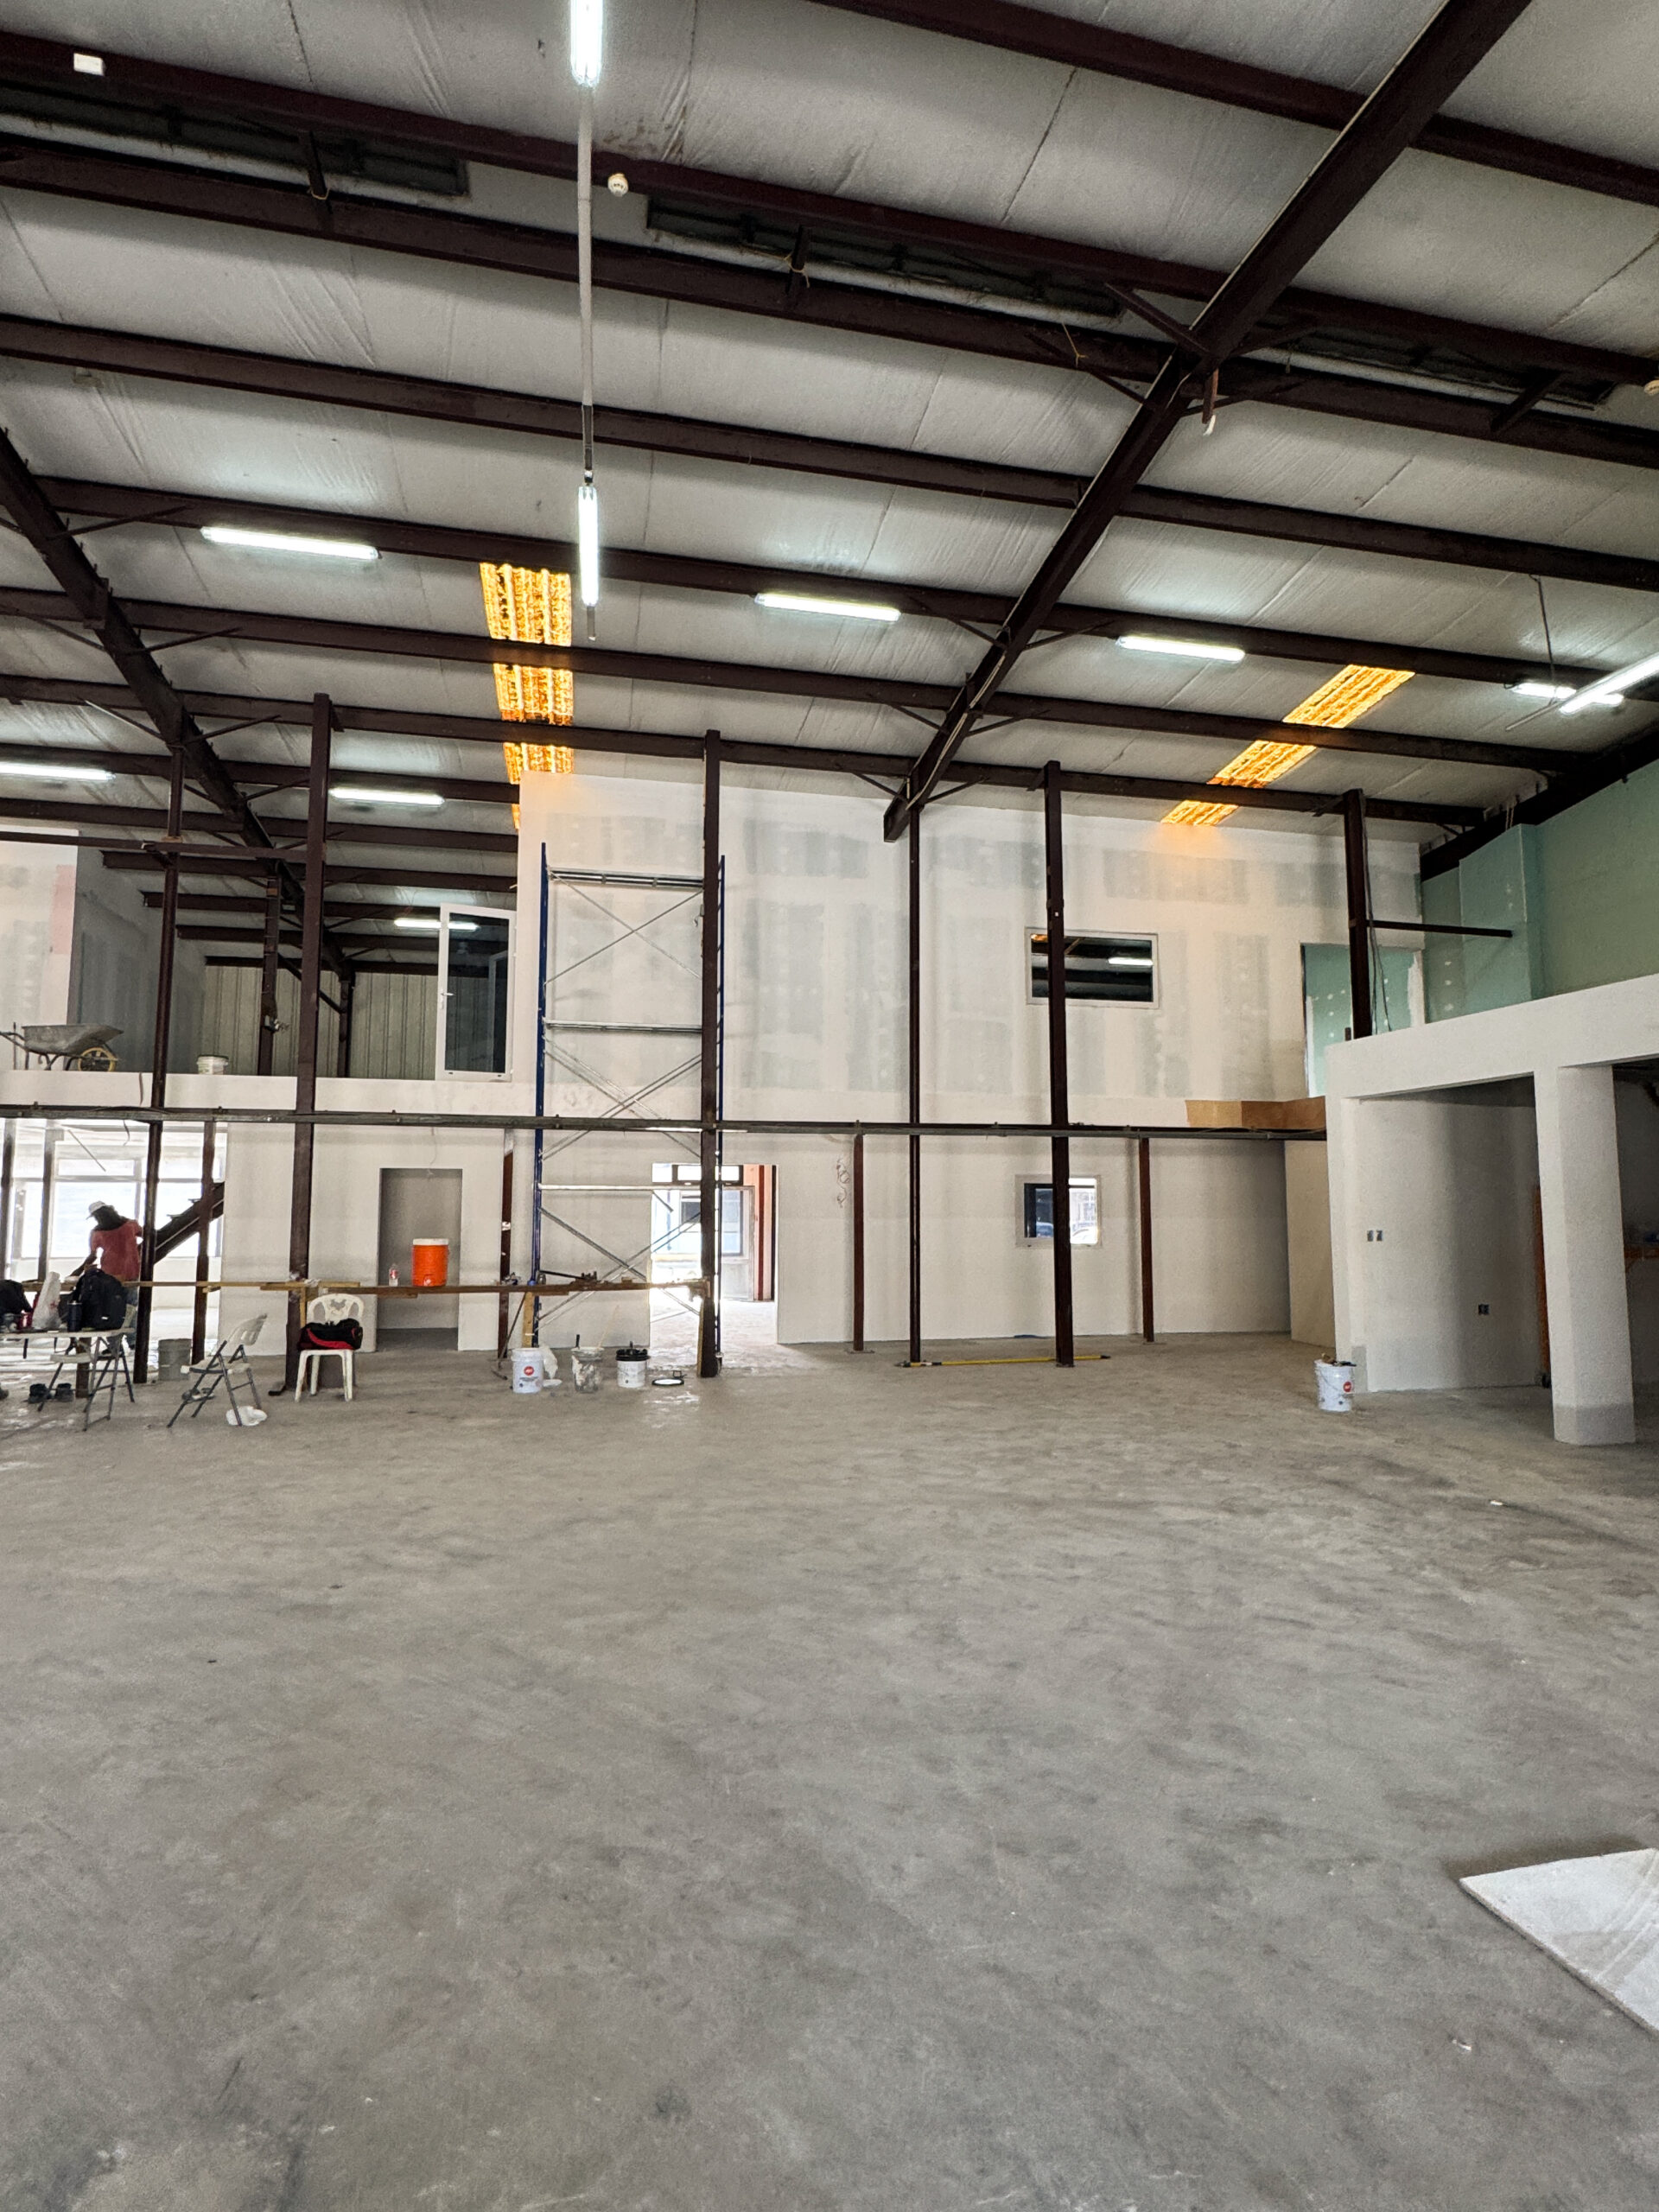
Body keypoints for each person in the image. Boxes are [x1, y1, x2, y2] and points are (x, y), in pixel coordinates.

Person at [70, 1204, 143, 1336]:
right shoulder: (130, 1225)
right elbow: (147, 1236)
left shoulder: (97, 1232)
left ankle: (114, 1342)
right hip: (131, 1272)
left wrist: (78, 1271)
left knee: (112, 1308)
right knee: (130, 1308)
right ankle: (132, 1341)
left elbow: (93, 1256)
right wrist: (136, 1251)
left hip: (109, 1276)